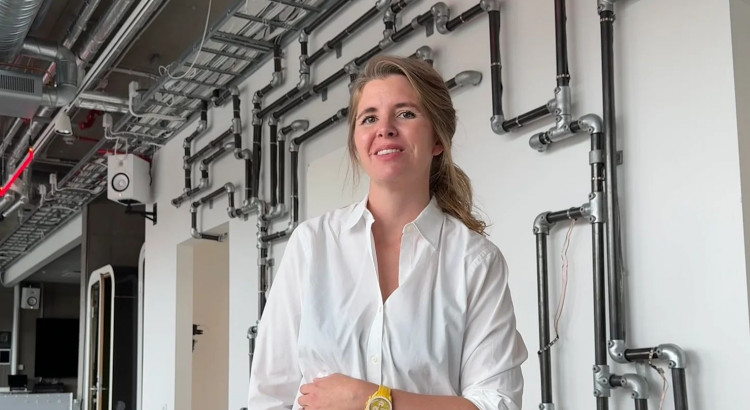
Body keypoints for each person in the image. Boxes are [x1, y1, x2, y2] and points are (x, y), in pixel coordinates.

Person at [247, 55, 527, 410]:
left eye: (406, 113)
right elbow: (269, 396)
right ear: (357, 143)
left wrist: (372, 400)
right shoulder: (312, 245)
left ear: (438, 139)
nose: (385, 128)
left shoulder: (476, 262)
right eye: (369, 118)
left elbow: (496, 403)